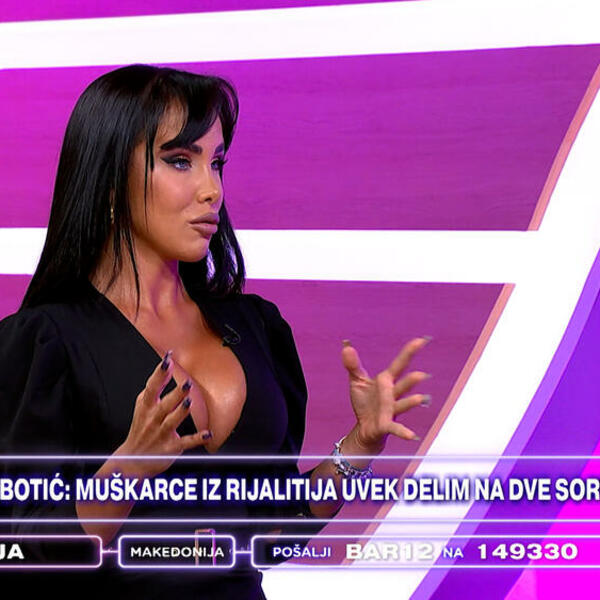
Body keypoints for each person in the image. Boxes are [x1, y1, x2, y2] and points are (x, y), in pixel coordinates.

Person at [0, 64, 431, 598]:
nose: (212, 190)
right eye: (181, 160)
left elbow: (268, 536)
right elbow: (23, 553)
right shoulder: (45, 342)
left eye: (217, 163)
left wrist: (359, 447)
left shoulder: (257, 328)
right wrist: (129, 467)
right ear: (110, 177)